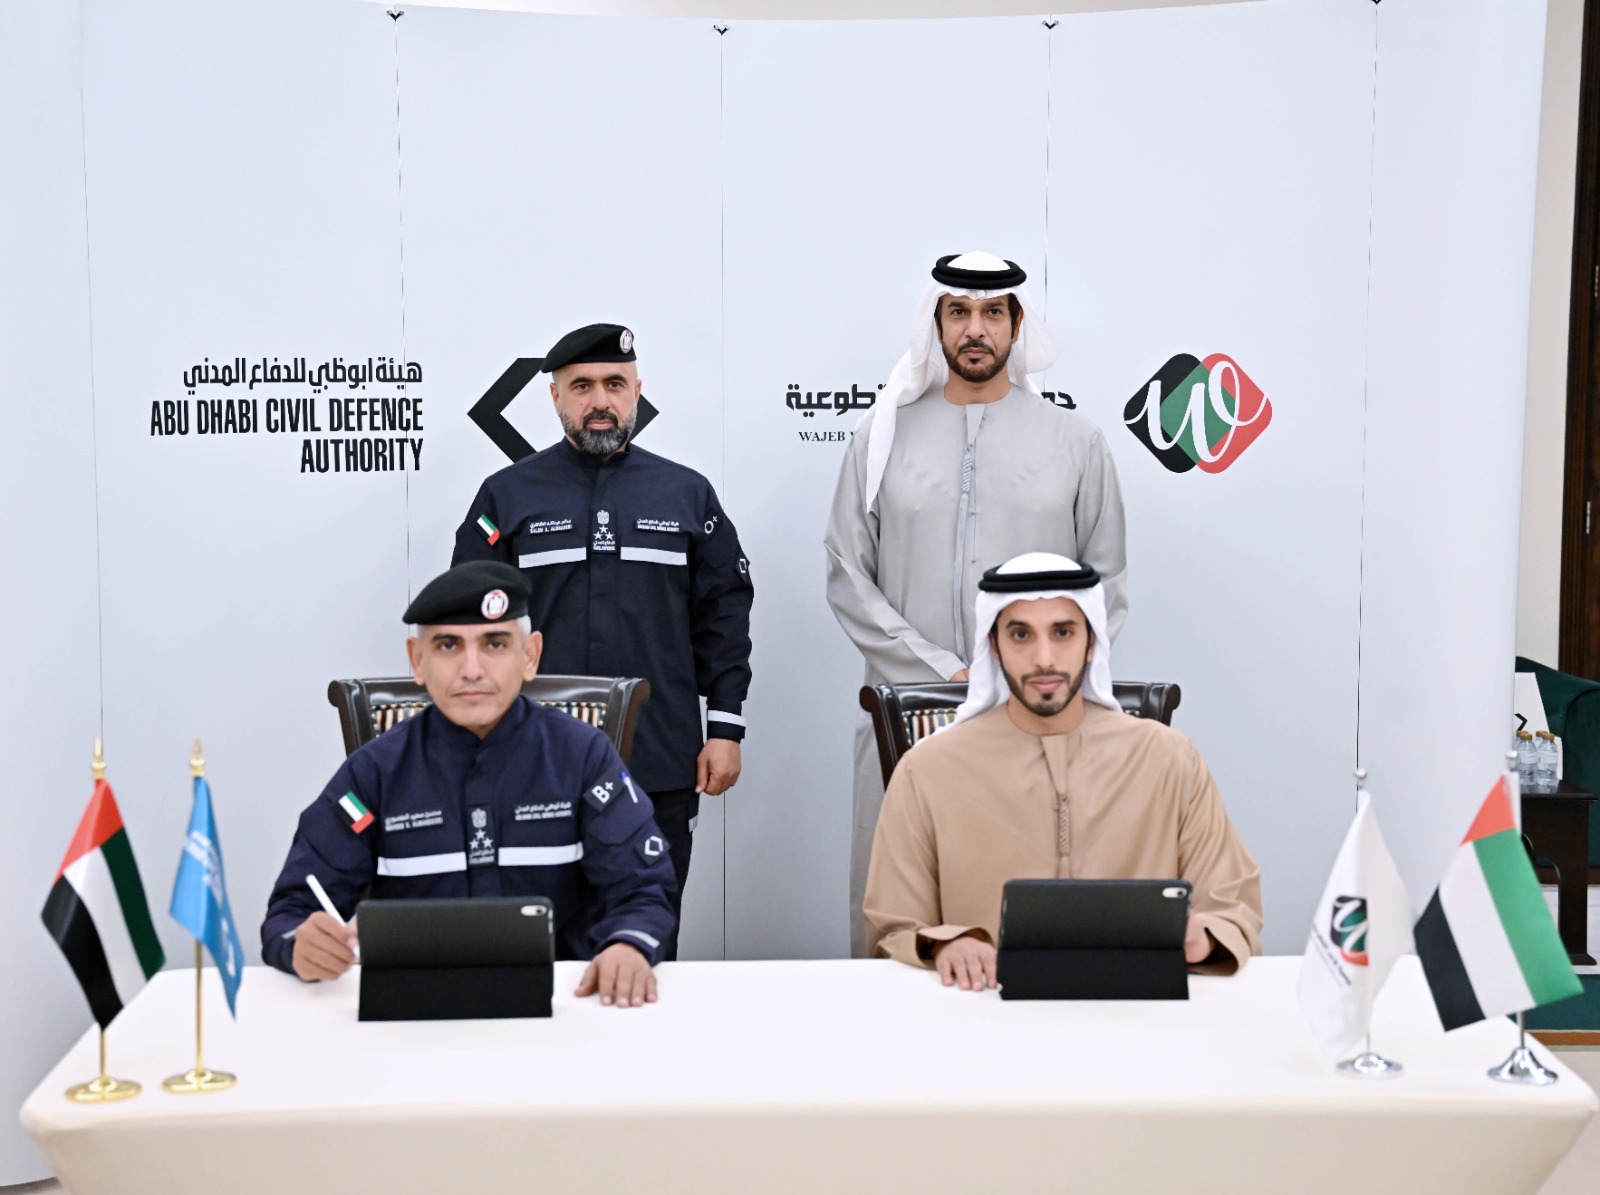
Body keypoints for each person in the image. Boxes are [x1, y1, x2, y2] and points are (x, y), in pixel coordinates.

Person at [826, 252, 1128, 955]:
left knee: (1026, 903)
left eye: (993, 312)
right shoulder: (882, 436)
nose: (975, 329)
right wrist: (939, 673)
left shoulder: (1076, 441)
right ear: (936, 324)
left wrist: (1029, 679)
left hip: (1034, 719)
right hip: (905, 713)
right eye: (958, 311)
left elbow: (1105, 585)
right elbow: (846, 570)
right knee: (895, 912)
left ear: (1017, 325)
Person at [454, 324, 753, 959]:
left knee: (649, 937)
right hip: (532, 762)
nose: (600, 401)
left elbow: (724, 615)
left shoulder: (687, 494)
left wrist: (725, 729)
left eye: (615, 384)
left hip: (660, 759)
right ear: (555, 397)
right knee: (538, 942)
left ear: (637, 392)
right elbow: (470, 627)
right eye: (582, 386)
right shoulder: (506, 496)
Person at [261, 561, 678, 1008]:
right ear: (418, 660)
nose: (472, 669)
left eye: (495, 644)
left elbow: (644, 889)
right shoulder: (374, 773)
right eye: (448, 645)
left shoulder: (582, 757)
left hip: (564, 1006)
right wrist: (302, 944)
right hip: (414, 1012)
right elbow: (291, 913)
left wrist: (628, 945)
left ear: (530, 655)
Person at [863, 552, 1260, 990]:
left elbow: (1232, 907)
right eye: (1021, 635)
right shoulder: (928, 771)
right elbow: (893, 927)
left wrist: (1201, 938)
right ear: (994, 646)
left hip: (1138, 1011)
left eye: (1063, 632)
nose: (1044, 658)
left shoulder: (1168, 759)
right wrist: (945, 944)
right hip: (983, 1009)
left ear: (1091, 642)